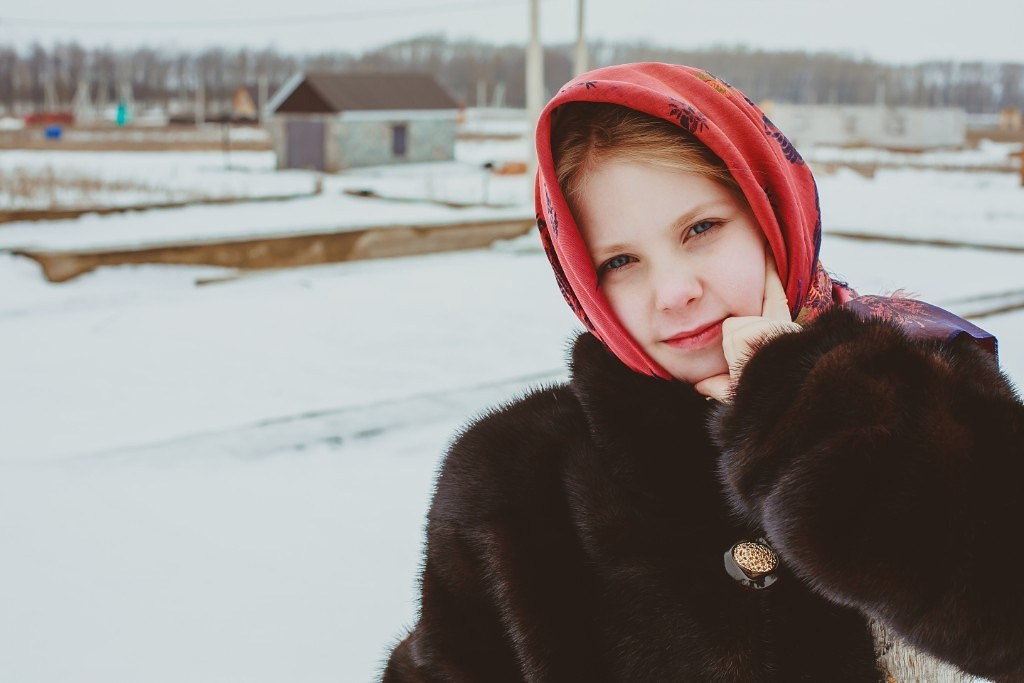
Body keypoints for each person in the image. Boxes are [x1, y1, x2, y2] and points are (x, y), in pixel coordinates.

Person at [382, 63, 1024, 682]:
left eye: (701, 228)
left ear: (774, 214)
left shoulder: (928, 389)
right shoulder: (515, 482)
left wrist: (806, 412)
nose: (673, 291)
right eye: (620, 261)